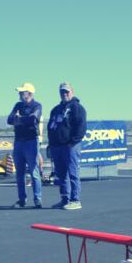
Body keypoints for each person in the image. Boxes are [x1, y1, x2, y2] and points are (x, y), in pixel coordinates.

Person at [47, 82, 87, 210]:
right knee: (61, 174)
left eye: (66, 91)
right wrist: (51, 144)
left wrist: (72, 142)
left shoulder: (77, 108)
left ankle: (75, 200)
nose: (64, 94)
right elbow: (50, 127)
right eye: (62, 92)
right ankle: (65, 199)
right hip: (57, 146)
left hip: (70, 146)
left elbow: (81, 127)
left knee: (73, 173)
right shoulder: (55, 110)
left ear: (72, 92)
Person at [7, 82, 43, 208]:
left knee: (34, 172)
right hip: (18, 142)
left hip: (31, 141)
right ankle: (22, 200)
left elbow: (33, 119)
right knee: (20, 173)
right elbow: (10, 119)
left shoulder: (37, 106)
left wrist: (19, 119)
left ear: (29, 93)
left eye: (22, 92)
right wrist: (21, 119)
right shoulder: (18, 105)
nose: (20, 94)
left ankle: (37, 199)